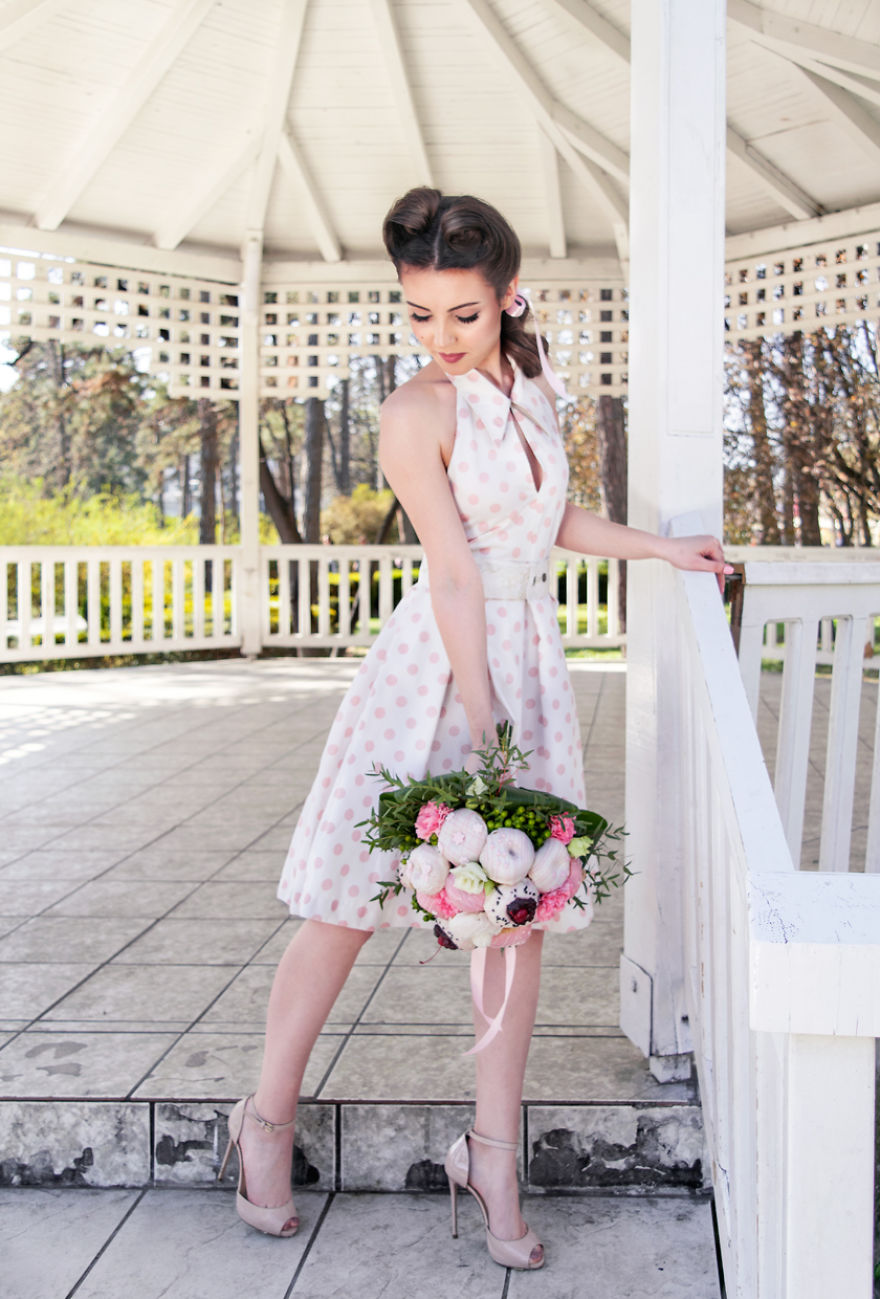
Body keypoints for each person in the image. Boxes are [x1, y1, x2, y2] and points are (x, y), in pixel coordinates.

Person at [218, 187, 730, 1270]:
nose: (440, 337)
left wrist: (660, 548)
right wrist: (483, 708)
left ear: (507, 298)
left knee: (515, 914)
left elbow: (550, 525)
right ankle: (263, 1121)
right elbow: (452, 571)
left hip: (523, 657)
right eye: (417, 313)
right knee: (348, 903)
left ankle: (491, 1153)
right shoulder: (415, 415)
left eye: (462, 312)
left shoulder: (536, 380)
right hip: (435, 671)